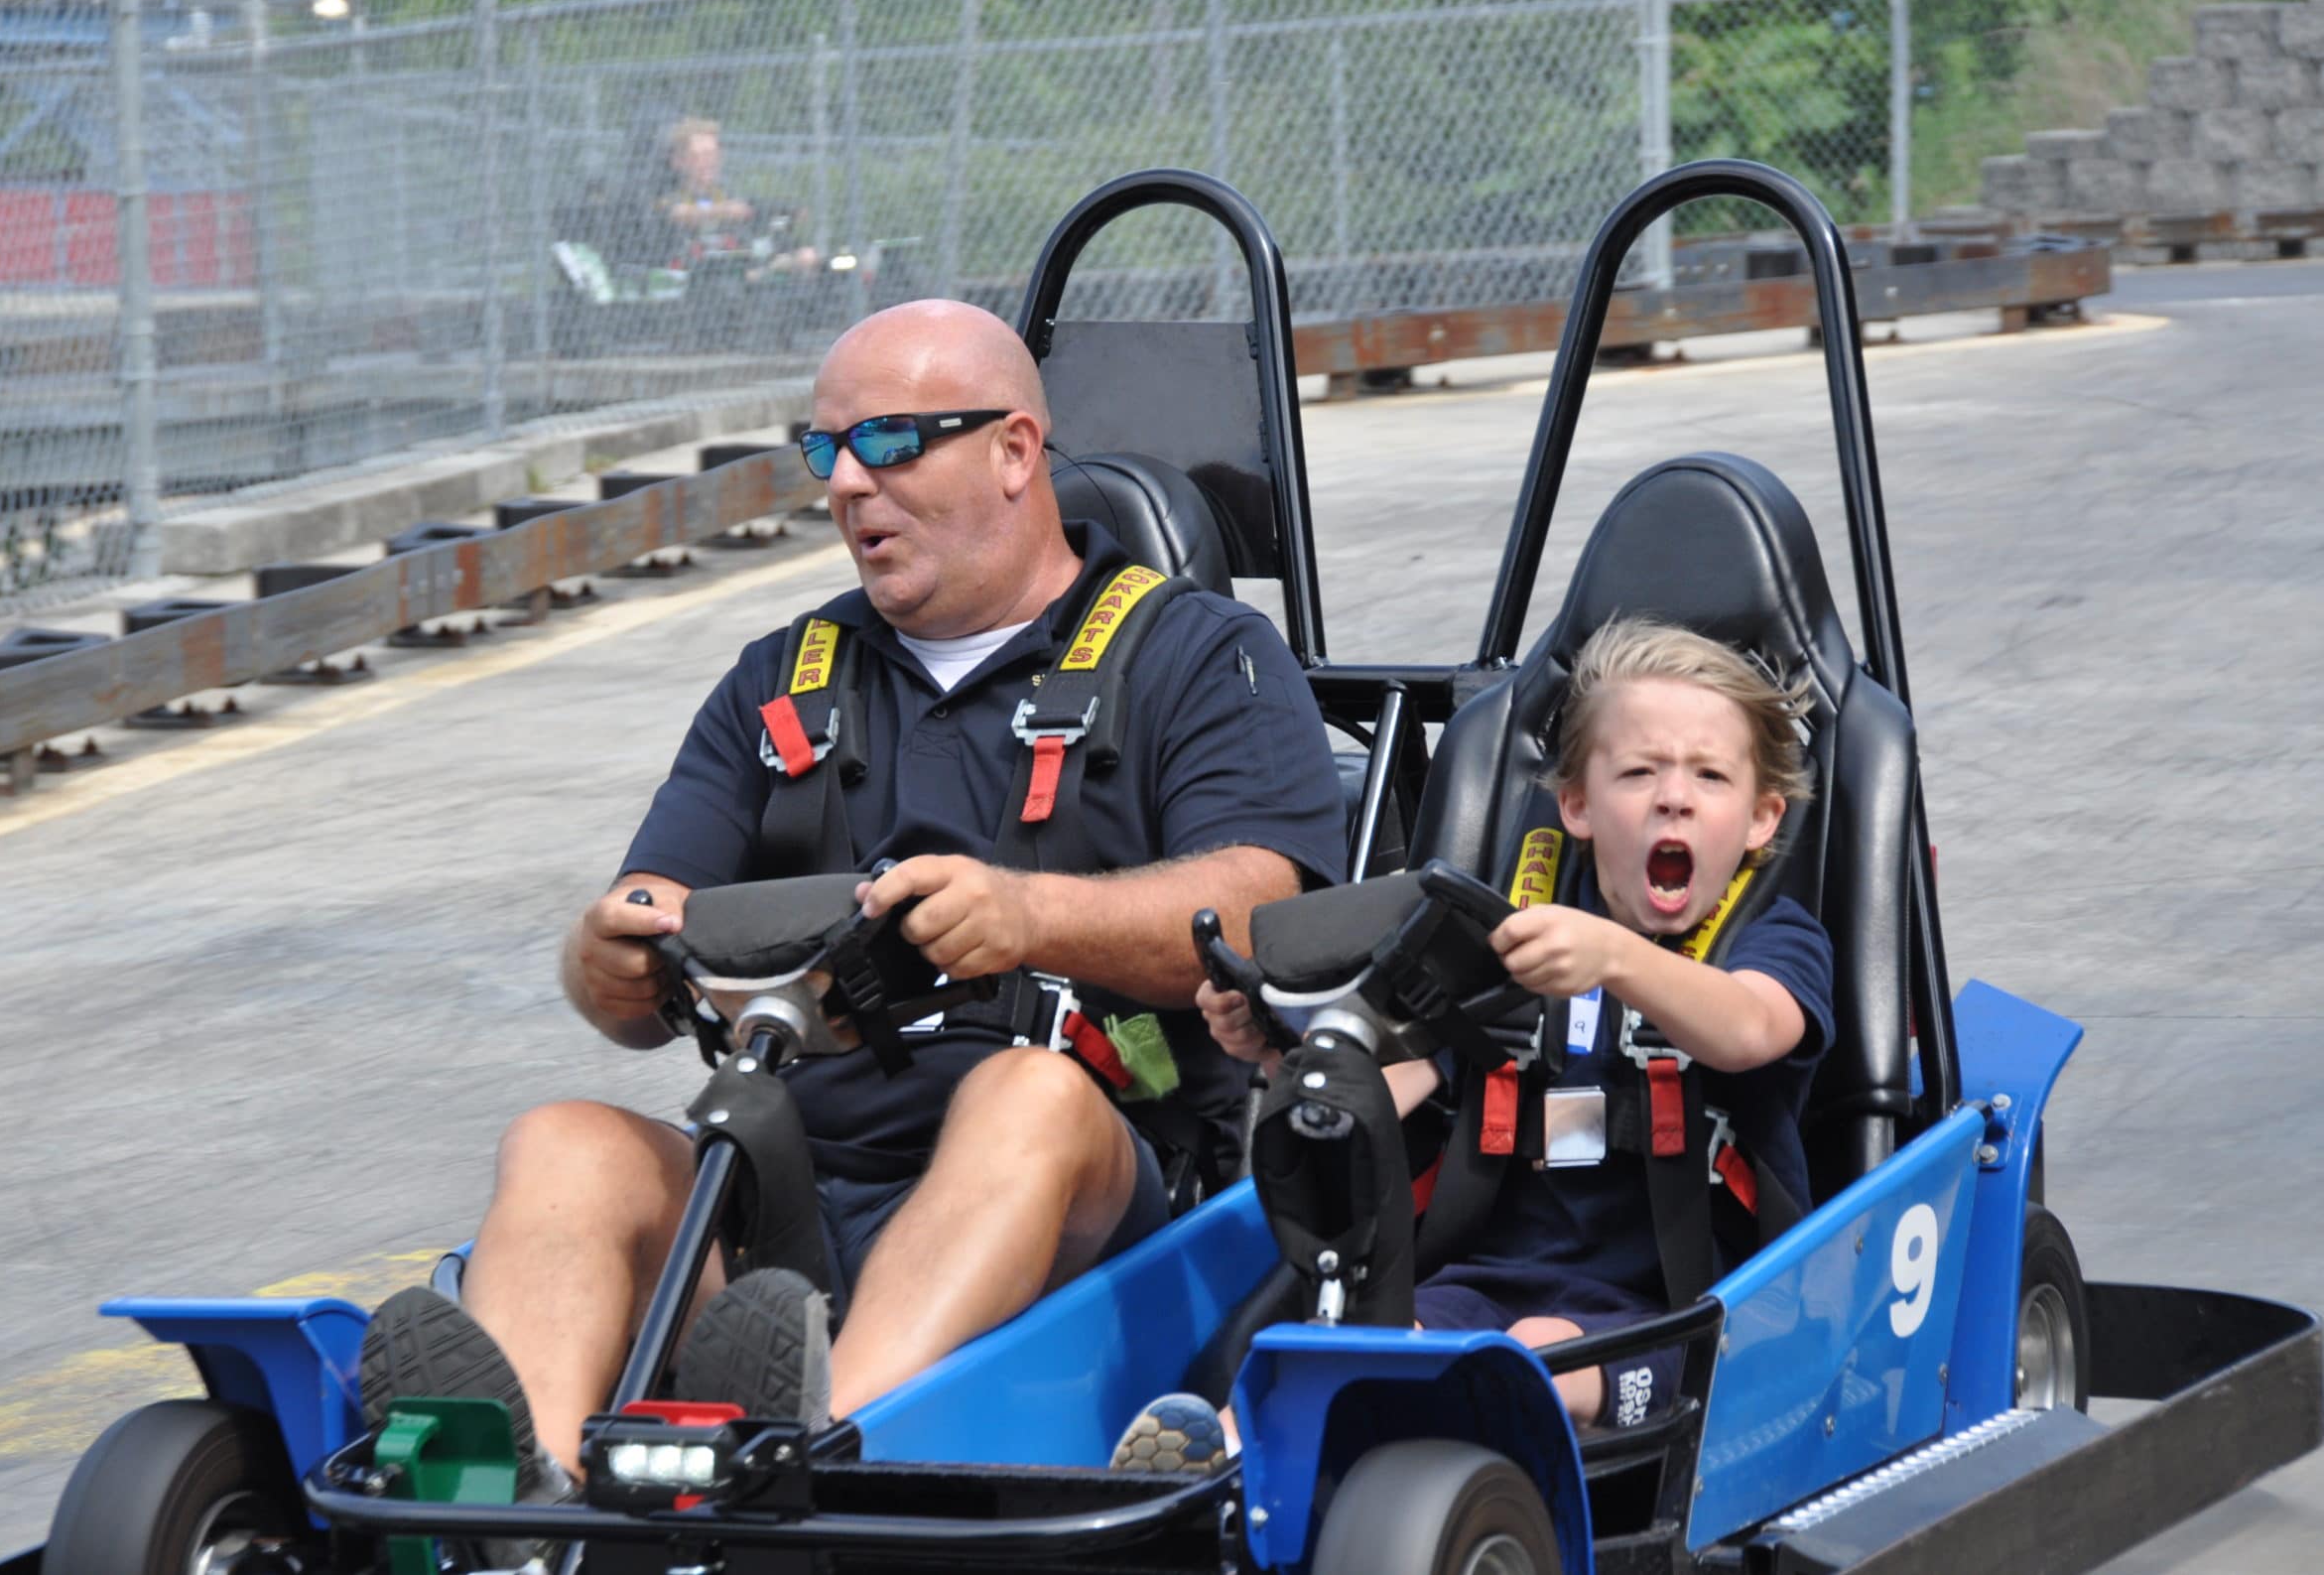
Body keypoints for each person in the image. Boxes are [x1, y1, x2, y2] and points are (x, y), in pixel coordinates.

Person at [357, 299, 1349, 1505]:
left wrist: (1032, 916)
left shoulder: (1203, 656)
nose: (845, 486)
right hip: (796, 1199)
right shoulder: (783, 678)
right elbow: (644, 924)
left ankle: (822, 1454)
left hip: (1101, 1204)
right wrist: (606, 954)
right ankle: (524, 1508)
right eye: (827, 450)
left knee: (1027, 1094)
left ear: (1014, 450)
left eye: (888, 443)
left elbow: (1258, 910)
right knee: (564, 1140)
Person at [1139, 616, 1832, 1457]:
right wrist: (1289, 1052)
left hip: (1686, 1314)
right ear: (1576, 804)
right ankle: (1205, 1460)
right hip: (1478, 1282)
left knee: (1536, 1350)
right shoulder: (1511, 942)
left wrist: (1615, 958)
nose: (1673, 795)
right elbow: (1392, 1094)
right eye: (1639, 771)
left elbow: (1752, 1029)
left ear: (1762, 819)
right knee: (1386, 1341)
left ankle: (1383, 1477)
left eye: (1710, 776)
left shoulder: (1770, 940)